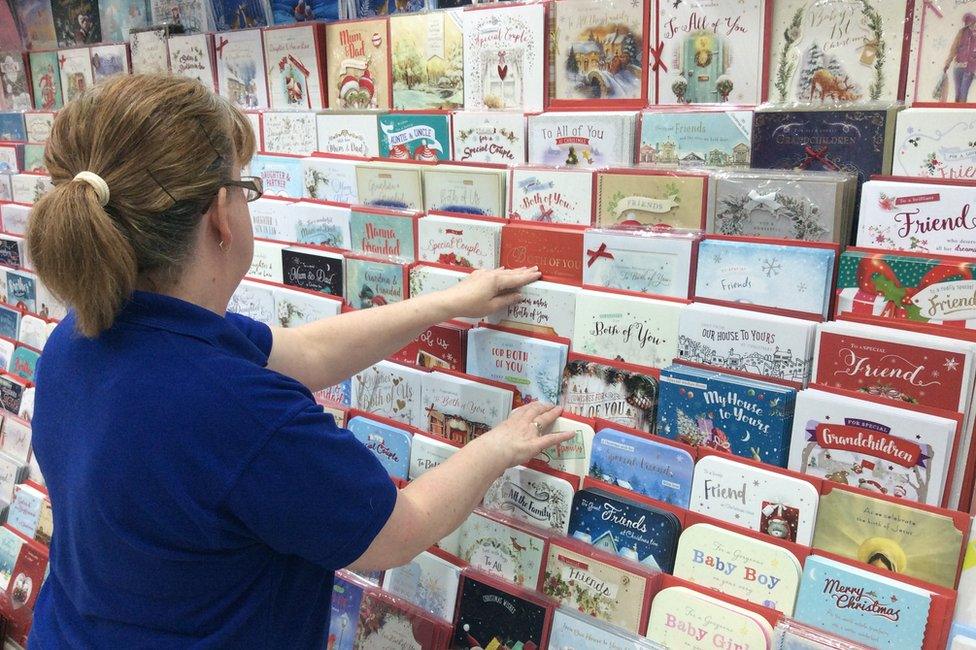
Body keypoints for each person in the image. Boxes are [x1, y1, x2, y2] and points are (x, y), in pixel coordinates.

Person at [26, 74, 571, 647]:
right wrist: (501, 444)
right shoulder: (240, 414)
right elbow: (397, 530)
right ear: (220, 215)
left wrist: (446, 302)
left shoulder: (82, 336)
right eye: (245, 187)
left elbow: (305, 353)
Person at [943, 12, 976, 103]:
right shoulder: (962, 32)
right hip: (958, 67)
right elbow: (954, 48)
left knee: (963, 93)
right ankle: (956, 114)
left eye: (972, 23)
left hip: (970, 68)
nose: (970, 25)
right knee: (958, 94)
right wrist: (948, 63)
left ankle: (962, 114)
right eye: (968, 23)